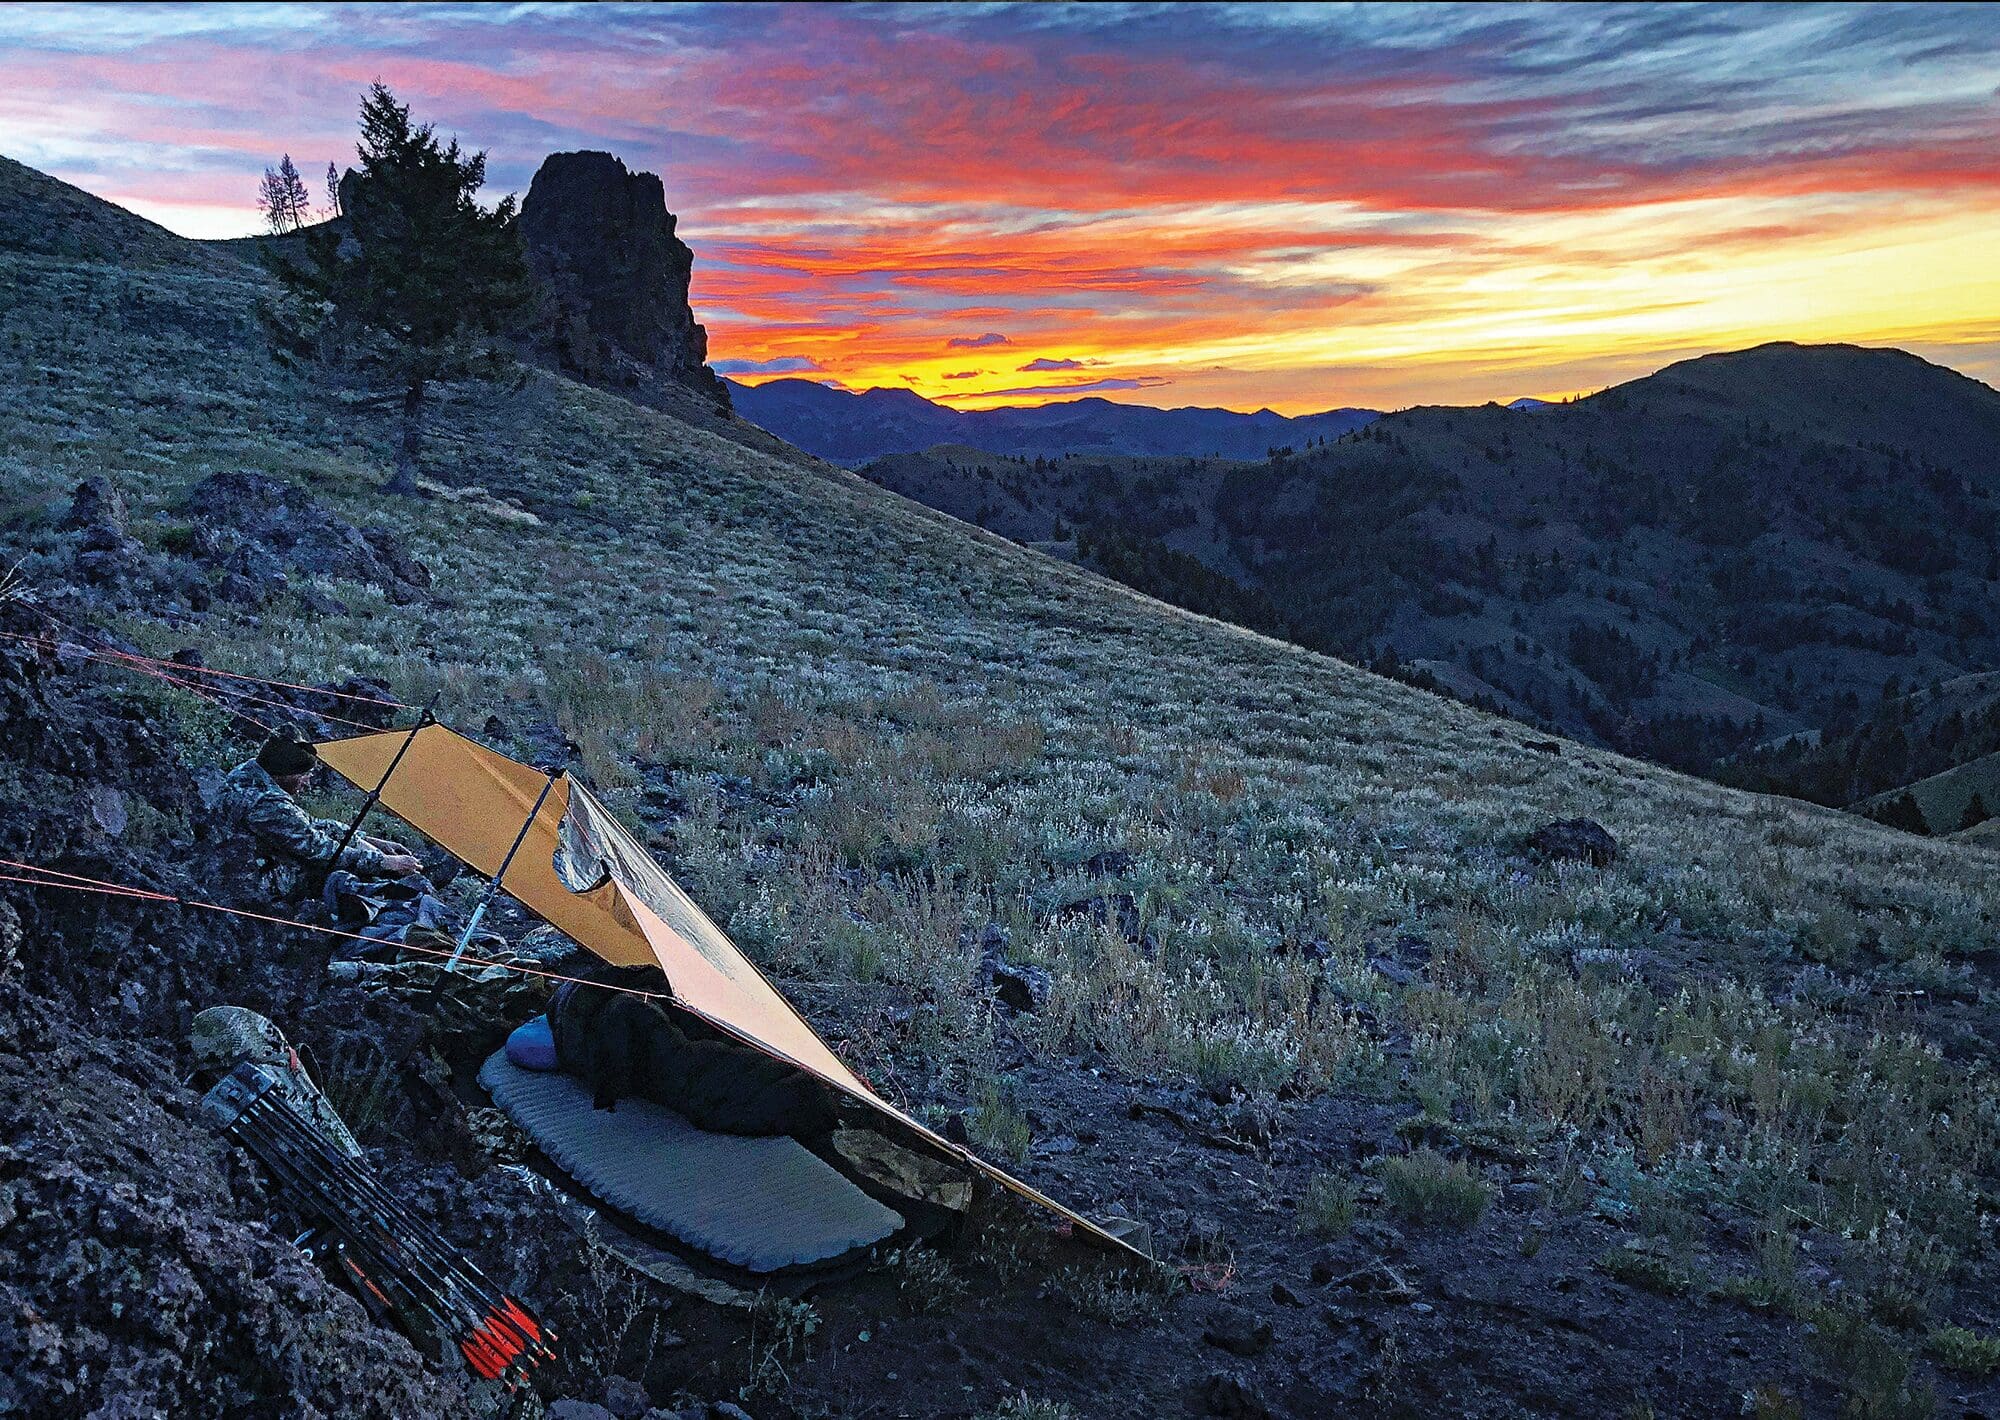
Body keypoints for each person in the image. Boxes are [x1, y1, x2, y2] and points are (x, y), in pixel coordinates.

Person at [216, 734, 421, 899]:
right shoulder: (267, 805)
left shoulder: (250, 771)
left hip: (245, 855)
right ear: (285, 775)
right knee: (339, 875)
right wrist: (384, 862)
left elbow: (309, 824)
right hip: (251, 878)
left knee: (336, 838)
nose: (307, 783)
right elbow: (320, 849)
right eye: (304, 776)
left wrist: (369, 840)